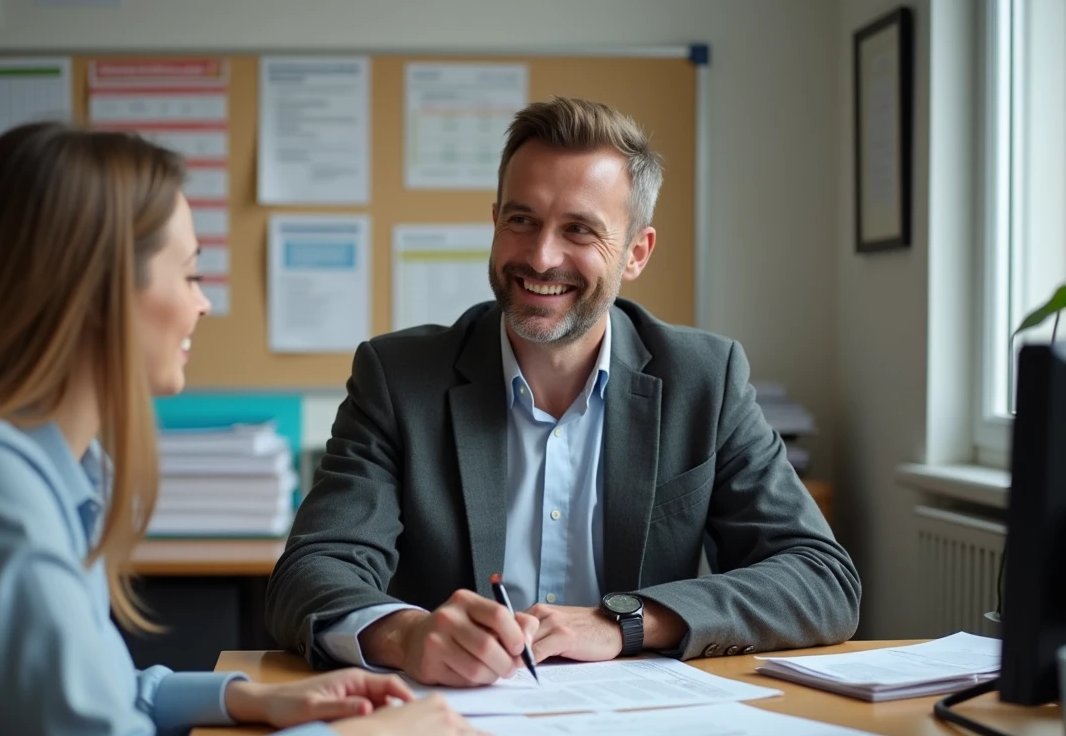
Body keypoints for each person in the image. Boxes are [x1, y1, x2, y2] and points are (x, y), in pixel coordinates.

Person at [0, 122, 506, 736]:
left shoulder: (44, 466)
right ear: (97, 292)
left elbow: (95, 694)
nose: (203, 304)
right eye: (192, 273)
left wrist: (248, 697)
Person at [265, 97, 861, 687]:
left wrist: (625, 622)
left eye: (579, 229)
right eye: (521, 220)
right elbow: (311, 573)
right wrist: (407, 634)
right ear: (495, 222)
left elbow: (820, 579)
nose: (541, 257)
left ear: (636, 253)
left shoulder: (703, 379)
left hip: (642, 721)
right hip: (455, 716)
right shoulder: (399, 379)